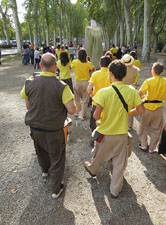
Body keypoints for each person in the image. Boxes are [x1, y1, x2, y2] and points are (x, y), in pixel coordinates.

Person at [83, 60, 145, 198]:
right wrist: (129, 112)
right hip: (122, 134)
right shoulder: (132, 91)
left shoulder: (103, 92)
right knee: (119, 163)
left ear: (111, 74)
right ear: (124, 74)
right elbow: (141, 110)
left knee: (98, 155)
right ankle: (115, 191)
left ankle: (92, 169)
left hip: (105, 133)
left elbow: (96, 115)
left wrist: (100, 119)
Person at [20, 53, 76, 199]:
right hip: (54, 128)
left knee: (41, 150)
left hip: (35, 127)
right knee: (57, 157)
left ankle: (45, 171)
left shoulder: (29, 82)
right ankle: (55, 190)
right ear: (55, 66)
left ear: (41, 65)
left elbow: (28, 106)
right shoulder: (62, 86)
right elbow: (72, 110)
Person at [138, 62, 166, 153]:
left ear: (153, 71)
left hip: (147, 107)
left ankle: (144, 145)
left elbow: (140, 93)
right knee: (156, 129)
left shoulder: (148, 81)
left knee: (143, 127)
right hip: (159, 107)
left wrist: (140, 99)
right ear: (161, 72)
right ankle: (152, 148)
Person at [87, 56, 112, 133]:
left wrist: (93, 94)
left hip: (97, 102)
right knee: (107, 122)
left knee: (95, 121)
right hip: (109, 102)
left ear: (100, 64)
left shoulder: (95, 74)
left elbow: (88, 89)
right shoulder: (112, 75)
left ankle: (94, 139)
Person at [71, 49, 94, 120]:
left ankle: (77, 112)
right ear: (86, 56)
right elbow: (93, 69)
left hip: (77, 82)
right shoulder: (88, 63)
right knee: (85, 100)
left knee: (77, 99)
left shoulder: (74, 62)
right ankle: (83, 116)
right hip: (86, 83)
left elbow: (71, 67)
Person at [121, 54, 140, 130]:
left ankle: (121, 124)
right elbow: (138, 70)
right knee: (130, 107)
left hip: (121, 88)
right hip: (131, 88)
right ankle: (129, 125)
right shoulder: (135, 70)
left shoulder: (121, 70)